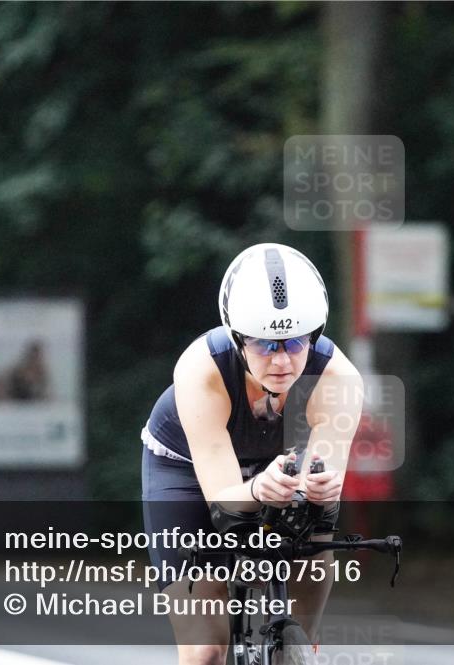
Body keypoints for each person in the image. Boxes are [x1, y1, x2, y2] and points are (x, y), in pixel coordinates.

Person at [141, 243, 363, 665]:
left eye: (294, 343)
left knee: (316, 521)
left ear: (314, 335)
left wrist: (320, 491)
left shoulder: (338, 378)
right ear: (237, 338)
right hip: (186, 469)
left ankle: (301, 644)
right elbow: (223, 503)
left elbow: (319, 498)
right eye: (264, 344)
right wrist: (259, 488)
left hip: (281, 469)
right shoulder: (201, 368)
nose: (281, 361)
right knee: (206, 650)